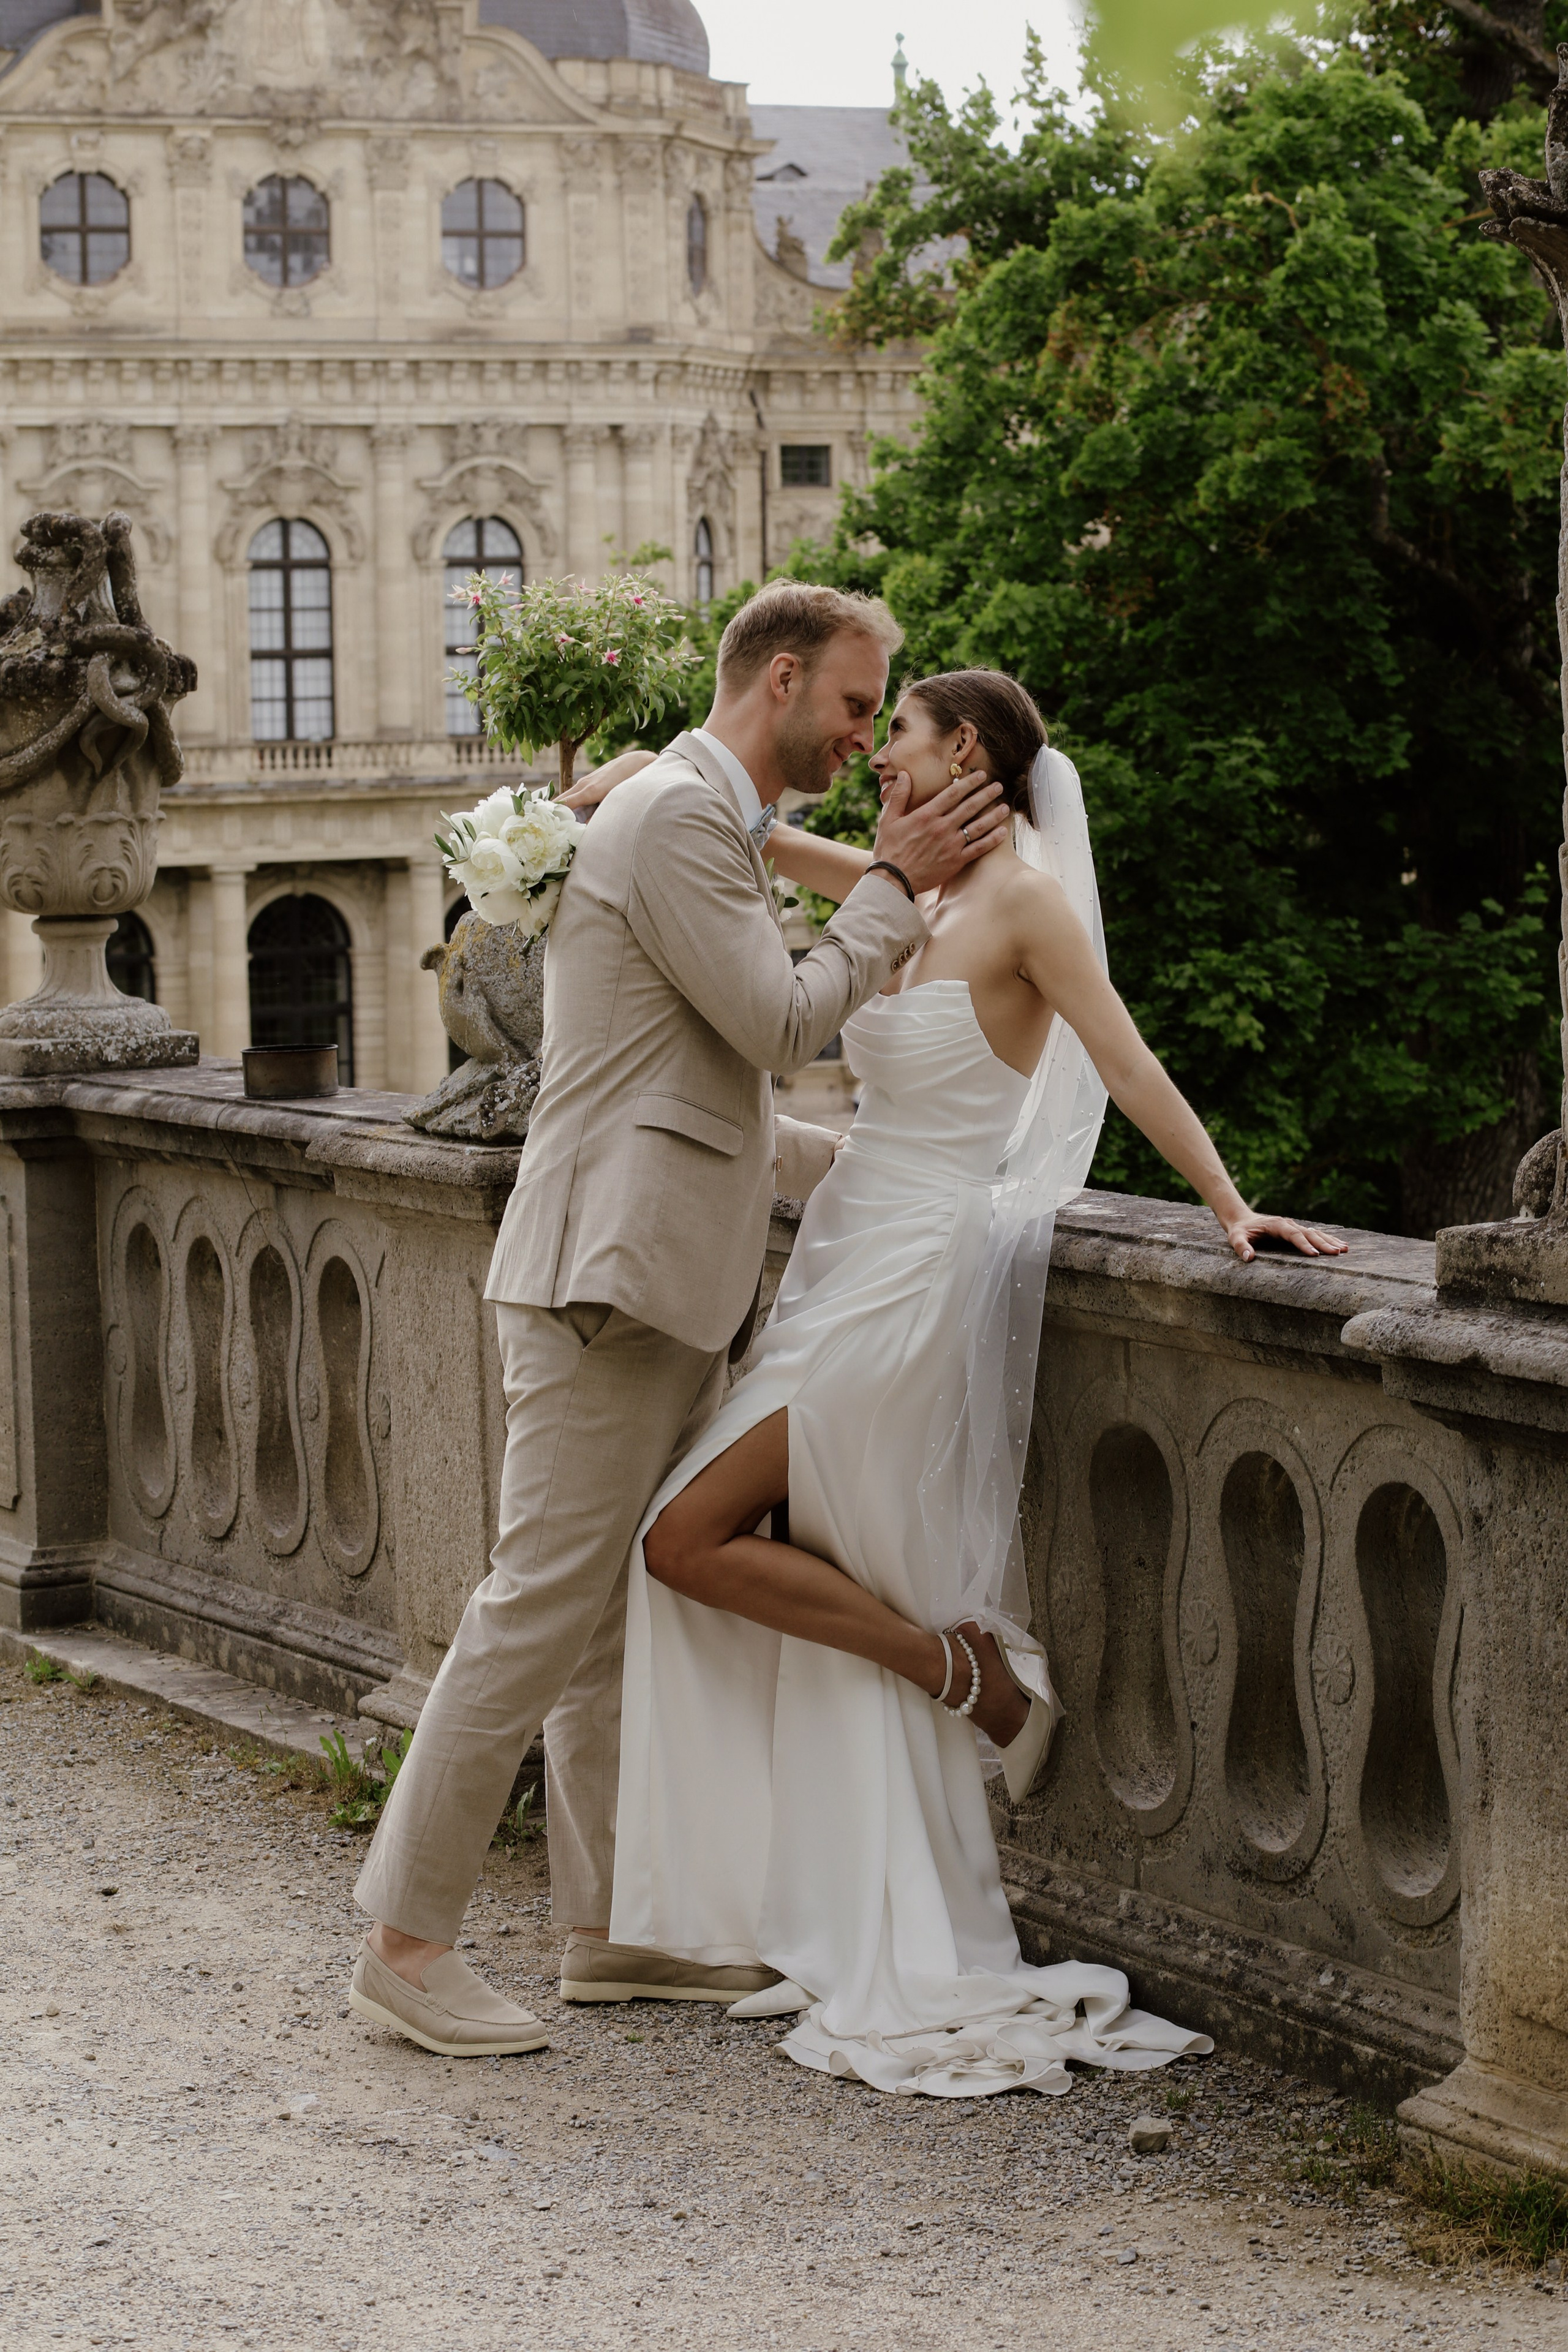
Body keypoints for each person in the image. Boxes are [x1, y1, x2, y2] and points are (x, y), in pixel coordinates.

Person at [603, 667, 1348, 2097]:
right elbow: (784, 853)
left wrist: (1227, 1204)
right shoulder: (926, 896)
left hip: (912, 1281)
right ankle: (945, 1700)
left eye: (899, 734)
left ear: (969, 759)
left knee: (682, 1539)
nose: (876, 753)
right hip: (839, 1259)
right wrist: (640, 784)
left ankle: (970, 1677)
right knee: (737, 1544)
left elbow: (1122, 1059)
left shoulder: (1022, 907)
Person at [346, 586, 1014, 2059]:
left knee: (594, 1625)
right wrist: (891, 879)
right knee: (533, 1609)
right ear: (779, 681)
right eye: (853, 704)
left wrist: (893, 1181)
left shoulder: (678, 807)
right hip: (612, 1277)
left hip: (644, 1267)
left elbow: (694, 1086)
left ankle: (614, 1929)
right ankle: (404, 1941)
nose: (861, 736)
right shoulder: (673, 820)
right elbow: (782, 1024)